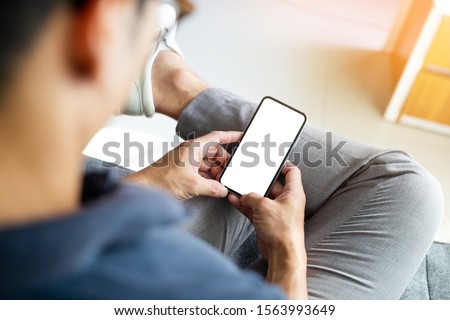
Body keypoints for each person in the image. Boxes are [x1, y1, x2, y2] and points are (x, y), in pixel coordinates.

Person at [0, 0, 444, 299]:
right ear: (99, 32)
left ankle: (166, 82)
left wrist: (150, 183)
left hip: (90, 221)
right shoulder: (170, 283)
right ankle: (173, 85)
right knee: (407, 191)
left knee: (231, 185)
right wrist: (288, 254)